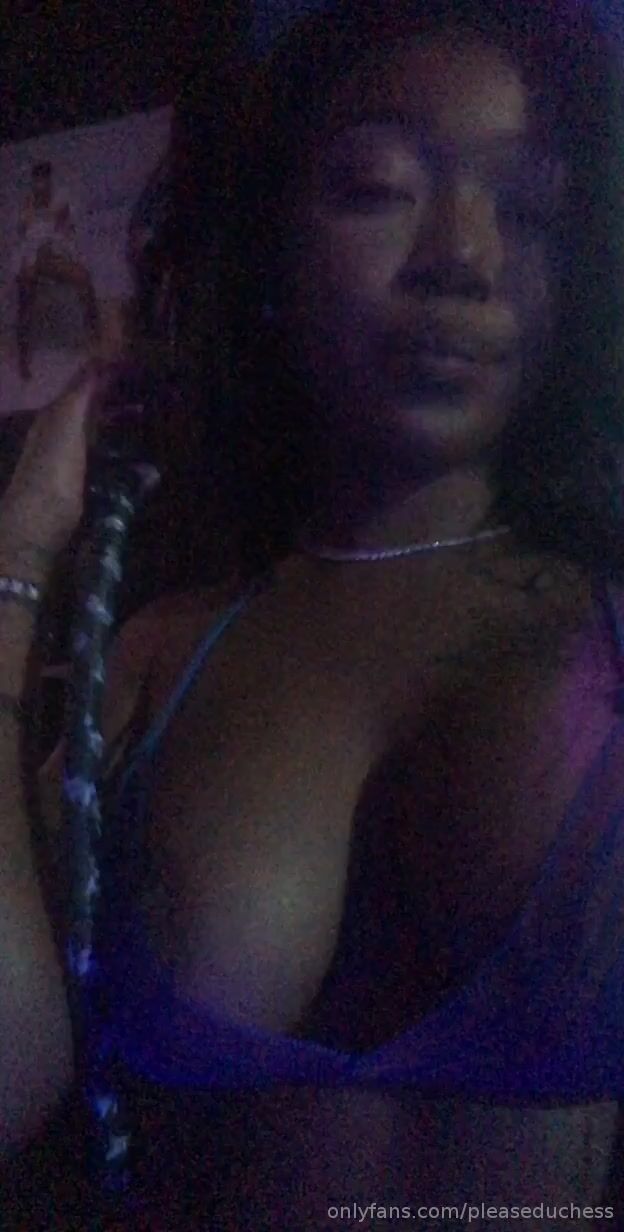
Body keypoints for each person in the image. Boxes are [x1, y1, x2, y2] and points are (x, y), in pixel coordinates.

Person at [3, 0, 624, 1226]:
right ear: (267, 252)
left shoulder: (605, 625)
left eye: (529, 206)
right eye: (380, 189)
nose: (463, 255)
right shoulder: (157, 656)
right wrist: (18, 546)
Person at [14, 162, 100, 381]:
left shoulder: (61, 199)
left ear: (49, 180)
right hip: (33, 257)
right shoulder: (27, 204)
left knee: (84, 279)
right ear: (33, 183)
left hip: (56, 255)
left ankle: (95, 337)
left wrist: (58, 228)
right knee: (24, 295)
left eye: (44, 180)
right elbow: (25, 236)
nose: (40, 185)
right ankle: (23, 358)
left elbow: (65, 231)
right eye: (37, 181)